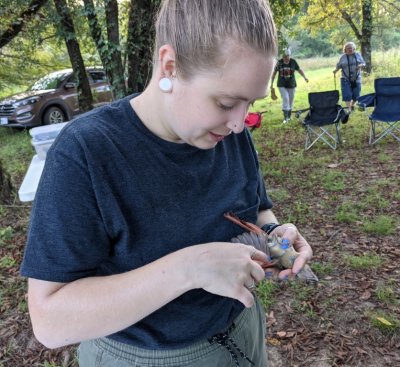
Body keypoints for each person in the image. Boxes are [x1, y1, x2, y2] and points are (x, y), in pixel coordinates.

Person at [20, 1, 313, 366]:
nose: (240, 123)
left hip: (242, 331)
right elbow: (50, 321)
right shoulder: (87, 152)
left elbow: (256, 208)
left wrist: (274, 236)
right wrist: (188, 269)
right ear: (170, 65)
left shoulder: (228, 133)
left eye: (249, 103)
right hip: (144, 356)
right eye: (225, 102)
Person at [270, 48, 309, 123]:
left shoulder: (293, 62)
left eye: (287, 56)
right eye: (284, 56)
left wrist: (305, 77)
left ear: (289, 56)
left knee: (291, 99)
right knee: (286, 98)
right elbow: (274, 73)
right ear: (282, 56)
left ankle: (289, 116)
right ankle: (285, 118)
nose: (286, 58)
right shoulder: (279, 62)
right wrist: (271, 83)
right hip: (282, 84)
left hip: (292, 84)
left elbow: (299, 70)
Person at [333, 41, 366, 111]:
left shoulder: (358, 55)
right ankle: (349, 109)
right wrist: (335, 70)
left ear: (354, 48)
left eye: (351, 48)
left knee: (356, 95)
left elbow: (363, 63)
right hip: (345, 78)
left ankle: (352, 105)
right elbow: (338, 66)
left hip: (356, 78)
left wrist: (361, 65)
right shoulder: (342, 57)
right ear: (345, 50)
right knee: (347, 94)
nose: (350, 49)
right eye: (348, 48)